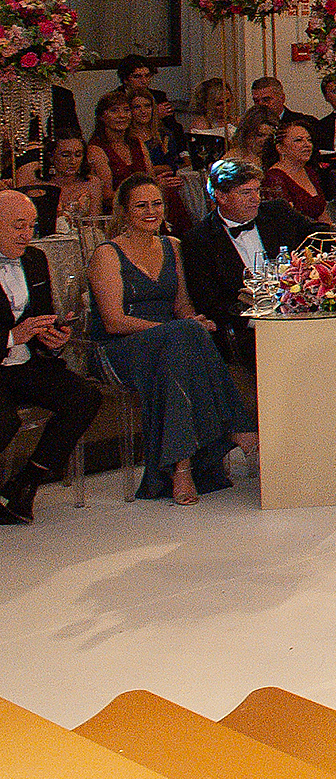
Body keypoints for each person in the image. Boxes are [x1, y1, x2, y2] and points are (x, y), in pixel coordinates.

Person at [89, 176, 256, 502]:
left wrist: (194, 320)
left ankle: (182, 471)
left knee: (183, 345)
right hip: (119, 348)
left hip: (171, 346)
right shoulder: (107, 254)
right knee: (182, 339)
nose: (151, 211)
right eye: (141, 205)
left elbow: (181, 306)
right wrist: (176, 330)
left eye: (156, 204)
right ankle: (237, 427)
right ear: (123, 212)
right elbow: (114, 321)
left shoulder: (173, 246)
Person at [0, 188, 99, 523]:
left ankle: (27, 481)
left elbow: (42, 318)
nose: (27, 234)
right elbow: (20, 330)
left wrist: (53, 337)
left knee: (84, 396)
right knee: (4, 420)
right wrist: (14, 335)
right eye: (17, 226)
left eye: (31, 226)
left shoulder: (35, 259)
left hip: (25, 363)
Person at [181, 157, 324, 361]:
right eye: (245, 192)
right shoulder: (199, 240)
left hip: (299, 314)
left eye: (257, 190)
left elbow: (319, 236)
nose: (255, 198)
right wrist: (258, 320)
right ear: (221, 196)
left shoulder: (277, 213)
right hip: (248, 332)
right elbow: (209, 303)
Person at [262, 119, 327, 222]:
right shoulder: (274, 177)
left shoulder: (309, 172)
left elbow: (322, 213)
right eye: (298, 140)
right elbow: (285, 221)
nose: (307, 145)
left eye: (309, 140)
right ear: (280, 148)